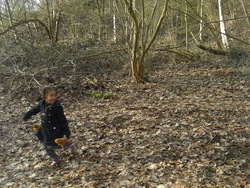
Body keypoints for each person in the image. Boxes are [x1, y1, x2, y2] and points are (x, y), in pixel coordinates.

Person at [23, 87, 76, 167]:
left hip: (55, 130)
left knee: (51, 145)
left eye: (55, 95)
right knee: (46, 146)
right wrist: (27, 115)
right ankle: (56, 160)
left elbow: (63, 120)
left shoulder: (57, 107)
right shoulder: (42, 104)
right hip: (45, 129)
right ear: (45, 97)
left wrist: (67, 132)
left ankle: (68, 143)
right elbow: (34, 110)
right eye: (51, 96)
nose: (53, 97)